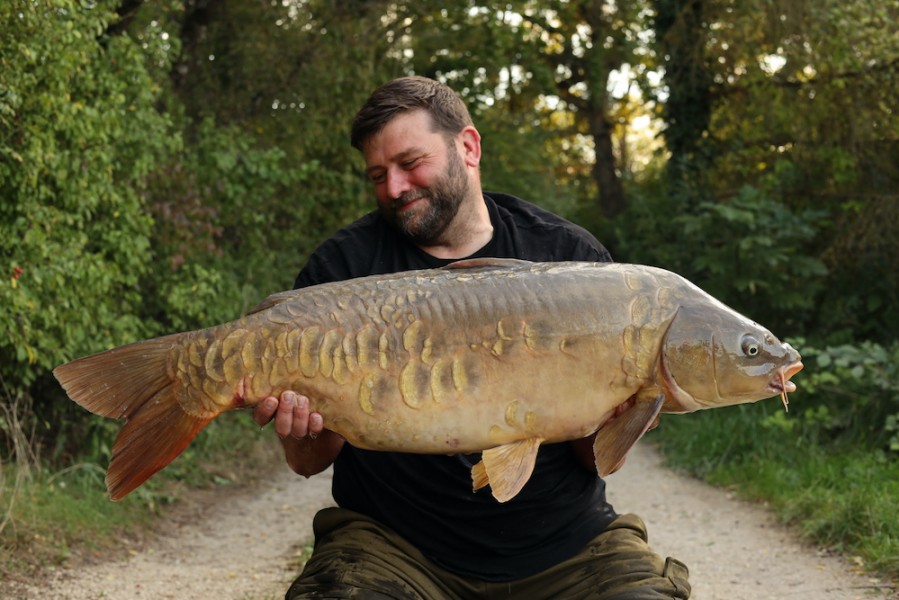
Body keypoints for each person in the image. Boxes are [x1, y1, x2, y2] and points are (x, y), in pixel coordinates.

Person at [253, 75, 691, 600]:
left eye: (411, 164)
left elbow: (591, 460)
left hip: (566, 546)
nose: (394, 188)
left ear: (468, 146)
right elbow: (309, 461)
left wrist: (620, 417)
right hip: (394, 549)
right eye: (378, 175)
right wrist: (302, 426)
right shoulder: (342, 270)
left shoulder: (571, 261)